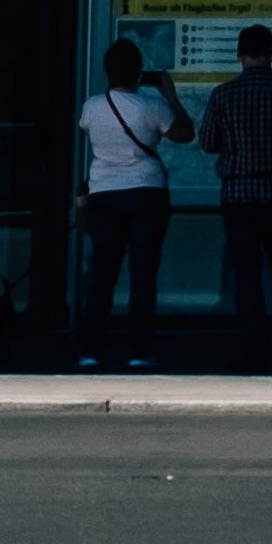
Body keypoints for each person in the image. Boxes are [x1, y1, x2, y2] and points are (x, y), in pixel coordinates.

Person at [201, 22, 272, 367]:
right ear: (271, 53)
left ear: (239, 55)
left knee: (247, 276)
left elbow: (207, 142)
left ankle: (254, 350)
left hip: (238, 195)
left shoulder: (223, 95)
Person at [75, 34, 190, 368]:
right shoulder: (153, 106)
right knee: (142, 276)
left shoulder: (92, 107)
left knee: (102, 275)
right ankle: (139, 352)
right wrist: (170, 94)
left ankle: (91, 351)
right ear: (140, 72)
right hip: (146, 194)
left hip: (104, 196)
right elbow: (185, 133)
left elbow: (89, 130)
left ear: (107, 71)